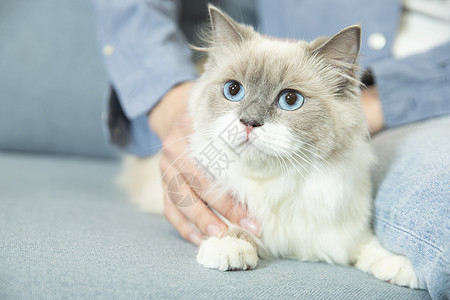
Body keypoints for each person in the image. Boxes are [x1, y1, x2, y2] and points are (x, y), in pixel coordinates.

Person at [93, 0, 450, 298]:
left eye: (290, 99)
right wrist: (168, 102)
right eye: (234, 90)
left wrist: (388, 98)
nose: (251, 118)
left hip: (431, 101)